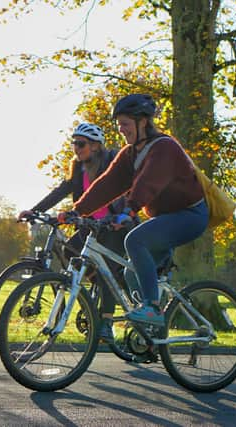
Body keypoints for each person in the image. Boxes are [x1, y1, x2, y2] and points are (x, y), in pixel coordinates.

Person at [60, 94, 209, 326]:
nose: (121, 130)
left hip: (190, 216)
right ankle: (149, 335)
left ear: (143, 122)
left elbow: (149, 182)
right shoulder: (131, 153)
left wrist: (129, 211)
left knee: (134, 240)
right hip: (166, 218)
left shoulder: (164, 147)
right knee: (131, 272)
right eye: (119, 125)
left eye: (126, 124)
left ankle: (151, 308)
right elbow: (108, 184)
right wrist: (78, 211)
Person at [18, 122, 129, 342]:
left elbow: (126, 189)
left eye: (81, 144)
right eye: (74, 144)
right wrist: (35, 209)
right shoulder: (78, 169)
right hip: (89, 227)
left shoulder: (110, 163)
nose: (76, 148)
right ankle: (102, 290)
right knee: (71, 254)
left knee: (107, 272)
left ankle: (106, 322)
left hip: (113, 225)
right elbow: (62, 190)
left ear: (96, 146)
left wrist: (124, 214)